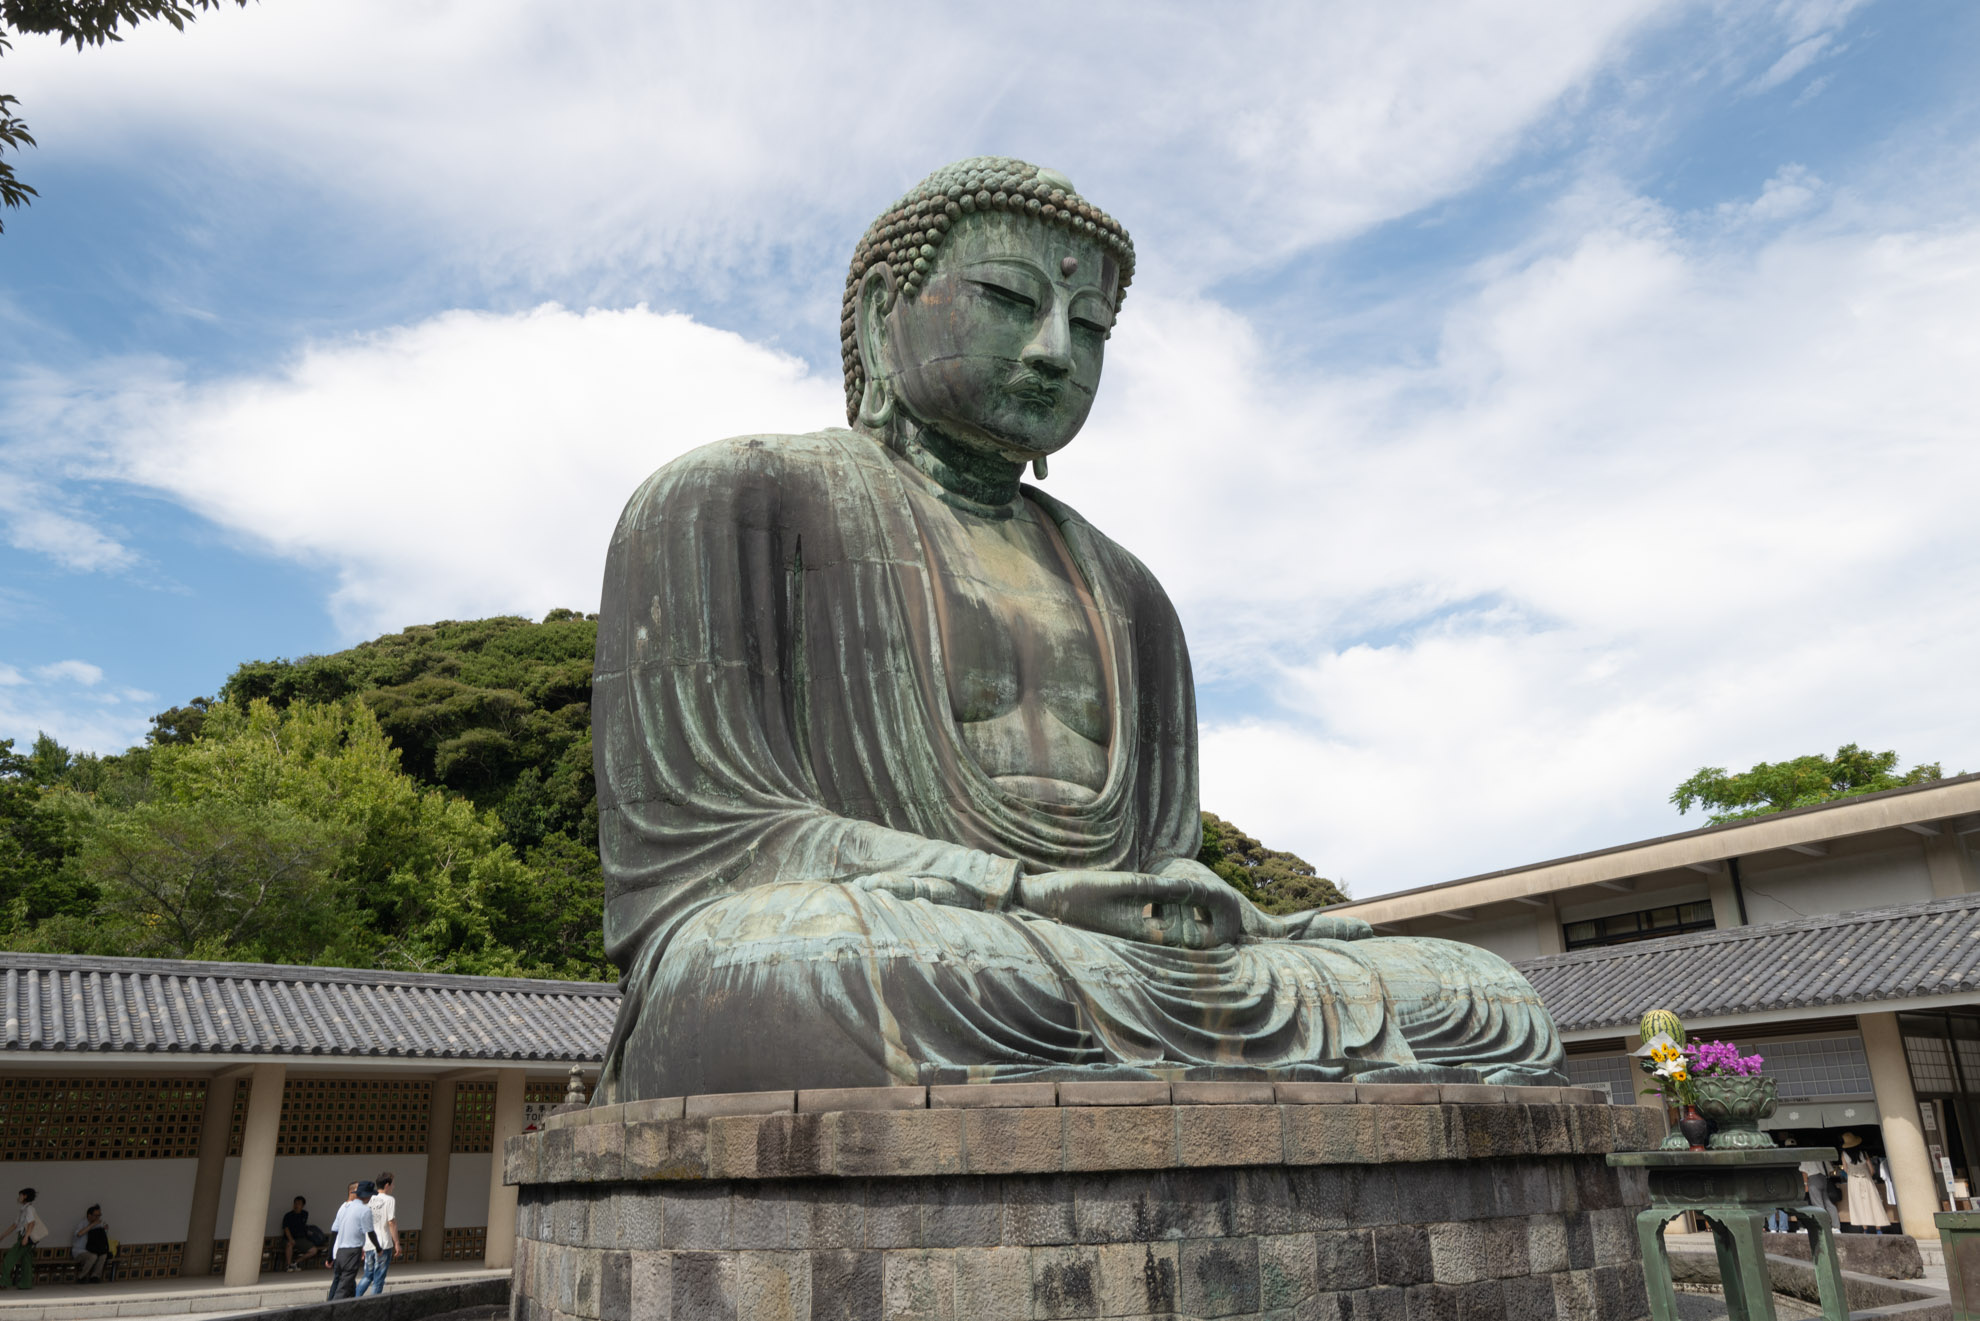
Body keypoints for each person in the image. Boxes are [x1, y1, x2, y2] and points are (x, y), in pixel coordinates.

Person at [592, 156, 1569, 1101]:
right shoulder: (731, 502)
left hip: (1100, 955)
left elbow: (1153, 853)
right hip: (899, 937)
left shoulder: (1128, 591)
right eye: (1013, 302)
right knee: (802, 966)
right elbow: (720, 847)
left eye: (1091, 324)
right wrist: (1016, 891)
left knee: (1481, 995)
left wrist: (1201, 903)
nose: (1055, 350)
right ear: (885, 312)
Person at [325, 1181, 377, 1300]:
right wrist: (378, 1248)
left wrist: (329, 1256)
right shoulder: (361, 1209)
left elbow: (335, 1231)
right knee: (343, 1285)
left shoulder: (344, 1208)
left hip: (341, 1251)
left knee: (343, 1282)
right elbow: (369, 1232)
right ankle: (332, 1309)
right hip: (351, 1251)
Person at [1840, 1133, 1894, 1234]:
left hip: (1853, 1181)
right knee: (1874, 1203)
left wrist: (1853, 1174)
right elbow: (1872, 1170)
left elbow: (1846, 1169)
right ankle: (1878, 1229)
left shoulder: (1844, 1155)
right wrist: (1867, 1175)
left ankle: (1865, 1230)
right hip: (1866, 1180)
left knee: (1859, 1205)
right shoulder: (1864, 1153)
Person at [354, 1173, 397, 1296]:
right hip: (383, 1243)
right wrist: (397, 1243)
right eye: (393, 1184)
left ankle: (354, 1298)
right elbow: (391, 1222)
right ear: (387, 1185)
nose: (394, 1186)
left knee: (368, 1275)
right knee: (379, 1278)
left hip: (369, 1243)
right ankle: (374, 1302)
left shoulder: (369, 1199)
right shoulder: (390, 1200)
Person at [1, 1189, 46, 1290]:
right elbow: (15, 1225)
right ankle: (26, 1283)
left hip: (25, 1237)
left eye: (20, 1195)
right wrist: (3, 1235)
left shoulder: (29, 1209)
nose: (19, 1197)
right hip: (25, 1237)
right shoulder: (23, 1209)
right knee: (26, 1261)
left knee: (9, 1258)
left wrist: (26, 1237)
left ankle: (4, 1282)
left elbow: (32, 1223)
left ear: (25, 1196)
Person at [281, 1197, 325, 1271]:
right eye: (295, 1203)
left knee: (314, 1250)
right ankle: (288, 1265)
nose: (296, 1205)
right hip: (288, 1238)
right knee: (289, 1245)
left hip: (300, 1239)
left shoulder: (304, 1214)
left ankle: (295, 1262)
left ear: (302, 1205)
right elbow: (286, 1228)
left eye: (299, 1204)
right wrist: (290, 1239)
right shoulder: (288, 1215)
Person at [70, 1206, 109, 1284]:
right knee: (93, 1256)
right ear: (89, 1215)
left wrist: (104, 1229)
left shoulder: (99, 1224)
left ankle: (95, 1276)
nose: (98, 1217)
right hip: (80, 1251)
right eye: (96, 1215)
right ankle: (81, 1277)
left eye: (99, 1215)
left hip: (94, 1249)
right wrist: (92, 1225)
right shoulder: (82, 1223)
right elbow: (79, 1234)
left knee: (103, 1255)